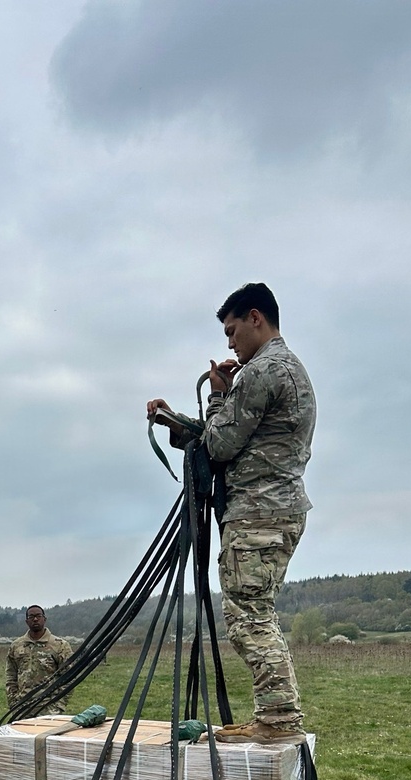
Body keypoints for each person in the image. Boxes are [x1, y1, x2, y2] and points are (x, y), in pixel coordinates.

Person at [147, 282, 315, 745]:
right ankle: (278, 715)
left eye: (231, 330)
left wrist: (220, 394)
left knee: (248, 617)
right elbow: (230, 440)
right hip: (273, 510)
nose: (229, 344)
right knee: (255, 613)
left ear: (255, 318)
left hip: (258, 514)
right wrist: (174, 420)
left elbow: (220, 445)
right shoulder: (283, 368)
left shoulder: (264, 371)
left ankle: (278, 719)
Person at [5, 605, 73, 715]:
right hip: (22, 709)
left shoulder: (59, 645)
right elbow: (11, 676)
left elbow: (69, 677)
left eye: (38, 616)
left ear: (44, 619)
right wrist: (14, 703)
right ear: (26, 621)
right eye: (31, 617)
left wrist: (58, 705)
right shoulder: (16, 646)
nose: (35, 619)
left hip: (49, 708)